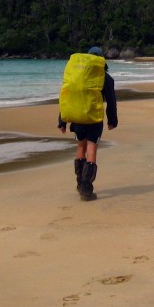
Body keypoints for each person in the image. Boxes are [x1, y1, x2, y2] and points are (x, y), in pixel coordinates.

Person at [58, 46, 118, 201]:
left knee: (80, 147)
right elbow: (111, 101)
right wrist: (113, 120)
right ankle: (86, 189)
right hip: (93, 118)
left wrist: (62, 120)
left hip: (76, 117)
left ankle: (79, 183)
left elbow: (68, 97)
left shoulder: (77, 76)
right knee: (91, 150)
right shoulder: (106, 78)